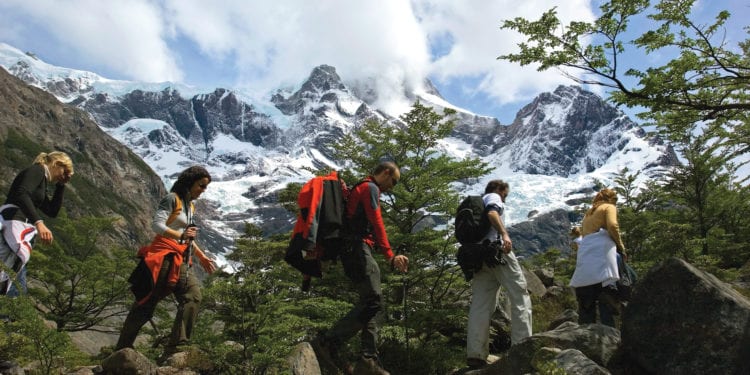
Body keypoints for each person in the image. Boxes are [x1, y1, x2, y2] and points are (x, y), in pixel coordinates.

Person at [312, 161, 408, 375]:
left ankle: (367, 358)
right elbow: (376, 220)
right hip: (357, 249)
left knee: (371, 301)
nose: (393, 186)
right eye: (394, 181)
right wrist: (390, 255)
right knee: (374, 300)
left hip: (353, 251)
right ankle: (329, 342)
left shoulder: (361, 187)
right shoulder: (370, 188)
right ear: (385, 173)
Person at [116, 166, 217, 357]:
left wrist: (201, 256)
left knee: (193, 295)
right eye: (201, 186)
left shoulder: (191, 206)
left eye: (205, 187)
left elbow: (186, 237)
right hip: (163, 257)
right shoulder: (172, 199)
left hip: (181, 258)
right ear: (190, 182)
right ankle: (121, 350)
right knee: (146, 304)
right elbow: (157, 225)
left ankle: (176, 347)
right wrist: (180, 235)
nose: (203, 190)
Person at [466, 180, 533, 370]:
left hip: (480, 257)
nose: (505, 198)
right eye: (506, 194)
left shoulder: (477, 202)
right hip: (497, 252)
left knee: (481, 304)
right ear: (500, 190)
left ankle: (475, 354)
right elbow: (492, 213)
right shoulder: (493, 197)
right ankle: (523, 348)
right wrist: (504, 234)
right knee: (519, 295)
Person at [0, 151, 73, 296]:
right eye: (65, 171)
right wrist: (39, 223)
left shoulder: (42, 180)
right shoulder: (37, 170)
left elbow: (52, 211)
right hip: (14, 227)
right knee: (14, 286)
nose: (64, 175)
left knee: (15, 284)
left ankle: (10, 312)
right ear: (57, 164)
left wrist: (61, 186)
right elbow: (21, 193)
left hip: (17, 229)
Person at [569, 188, 627, 327]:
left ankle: (584, 340)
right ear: (611, 199)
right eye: (616, 200)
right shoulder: (609, 207)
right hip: (603, 254)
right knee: (607, 295)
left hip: (586, 256)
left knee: (586, 305)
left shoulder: (588, 214)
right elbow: (613, 225)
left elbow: (583, 235)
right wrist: (621, 247)